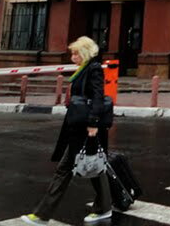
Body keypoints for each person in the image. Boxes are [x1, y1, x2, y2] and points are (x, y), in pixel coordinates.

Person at [22, 36, 113, 225]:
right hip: (82, 127)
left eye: (75, 53)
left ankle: (42, 215)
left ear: (85, 53)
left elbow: (98, 97)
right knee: (95, 166)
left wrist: (93, 123)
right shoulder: (84, 68)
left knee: (65, 170)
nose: (72, 56)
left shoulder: (93, 69)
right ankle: (104, 208)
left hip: (86, 128)